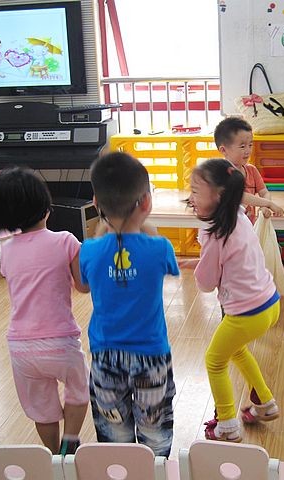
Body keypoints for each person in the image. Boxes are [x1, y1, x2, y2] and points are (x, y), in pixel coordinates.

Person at [0, 167, 90, 455]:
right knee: (79, 389)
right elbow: (83, 287)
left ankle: (53, 454)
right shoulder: (66, 241)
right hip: (60, 341)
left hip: (21, 347)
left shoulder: (6, 250)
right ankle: (70, 440)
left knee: (42, 408)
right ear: (45, 207)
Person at [80, 152, 178, 458]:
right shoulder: (160, 248)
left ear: (96, 203)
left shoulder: (89, 251)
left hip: (105, 355)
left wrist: (105, 230)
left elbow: (84, 284)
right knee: (154, 430)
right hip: (151, 355)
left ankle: (120, 470)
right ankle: (155, 471)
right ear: (146, 202)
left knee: (114, 432)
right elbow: (166, 262)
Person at [187, 158, 280, 442]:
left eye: (195, 191)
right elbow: (230, 260)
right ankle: (264, 402)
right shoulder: (239, 217)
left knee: (214, 361)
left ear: (219, 195)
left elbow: (206, 284)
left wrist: (200, 268)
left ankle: (226, 424)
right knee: (236, 350)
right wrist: (200, 262)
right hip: (269, 303)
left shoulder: (215, 233)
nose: (191, 197)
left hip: (246, 314)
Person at [214, 116, 284, 223]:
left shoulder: (252, 170)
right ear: (223, 150)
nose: (248, 151)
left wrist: (264, 206)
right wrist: (268, 203)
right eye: (242, 146)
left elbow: (264, 192)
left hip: (249, 227)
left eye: (250, 145)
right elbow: (239, 196)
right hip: (228, 229)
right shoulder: (221, 173)